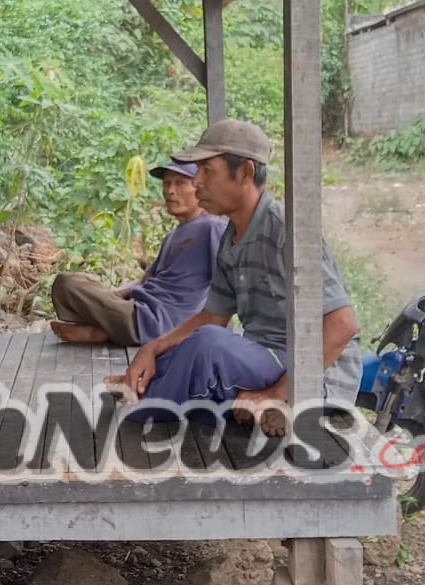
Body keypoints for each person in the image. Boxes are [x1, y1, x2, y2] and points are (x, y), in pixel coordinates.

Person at [106, 120, 362, 435]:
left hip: (316, 377)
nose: (196, 181)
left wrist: (278, 391)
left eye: (207, 170)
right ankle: (161, 389)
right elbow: (213, 316)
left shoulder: (286, 231)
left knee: (208, 346)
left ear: (245, 173)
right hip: (266, 356)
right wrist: (152, 350)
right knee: (187, 347)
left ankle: (144, 404)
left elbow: (342, 325)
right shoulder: (232, 237)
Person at [50, 158, 226, 347]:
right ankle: (104, 329)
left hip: (159, 324)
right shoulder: (173, 236)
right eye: (166, 183)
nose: (170, 190)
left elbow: (228, 284)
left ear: (199, 187)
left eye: (180, 183)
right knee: (68, 283)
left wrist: (213, 329)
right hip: (136, 308)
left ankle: (104, 330)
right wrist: (109, 294)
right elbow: (145, 280)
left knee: (68, 283)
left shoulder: (212, 227)